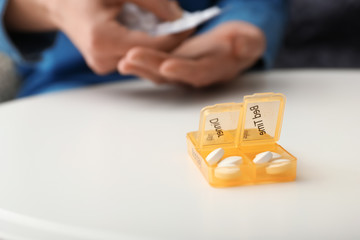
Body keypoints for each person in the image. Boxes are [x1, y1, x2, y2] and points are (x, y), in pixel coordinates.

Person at [0, 0, 287, 98]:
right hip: (66, 93)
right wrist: (48, 6)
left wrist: (245, 26)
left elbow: (256, 5)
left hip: (214, 89)